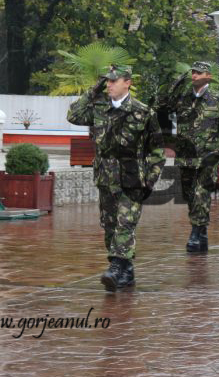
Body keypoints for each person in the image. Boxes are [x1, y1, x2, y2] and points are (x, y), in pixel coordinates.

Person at [66, 64, 165, 291]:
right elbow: (73, 115)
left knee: (125, 224)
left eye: (113, 80)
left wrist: (150, 180)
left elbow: (157, 151)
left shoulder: (142, 112)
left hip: (131, 180)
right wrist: (94, 90)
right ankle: (126, 271)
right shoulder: (99, 108)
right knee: (109, 225)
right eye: (107, 81)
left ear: (127, 82)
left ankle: (116, 269)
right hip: (105, 179)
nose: (109, 84)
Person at [155, 61, 219, 253]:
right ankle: (202, 230)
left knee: (201, 194)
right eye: (193, 73)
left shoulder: (218, 98)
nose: (194, 76)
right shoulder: (182, 97)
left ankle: (196, 232)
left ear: (208, 75)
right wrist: (174, 84)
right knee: (189, 195)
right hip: (186, 156)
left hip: (209, 156)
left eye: (198, 73)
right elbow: (160, 105)